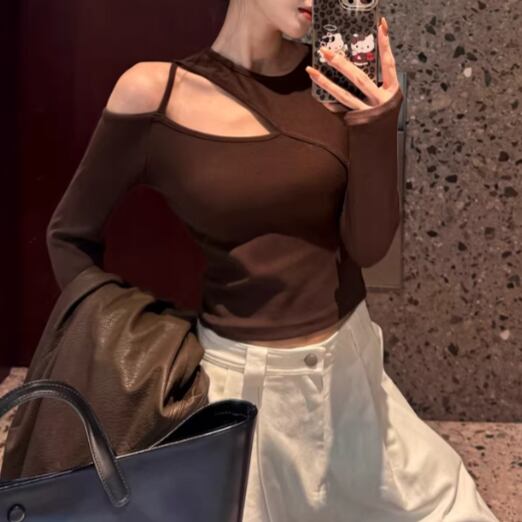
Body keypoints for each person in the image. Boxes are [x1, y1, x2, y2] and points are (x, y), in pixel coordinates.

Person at [46, 1, 500, 521]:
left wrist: (377, 121)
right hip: (240, 394)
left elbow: (369, 249)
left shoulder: (333, 82)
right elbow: (69, 235)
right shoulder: (157, 92)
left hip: (353, 384)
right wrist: (131, 347)